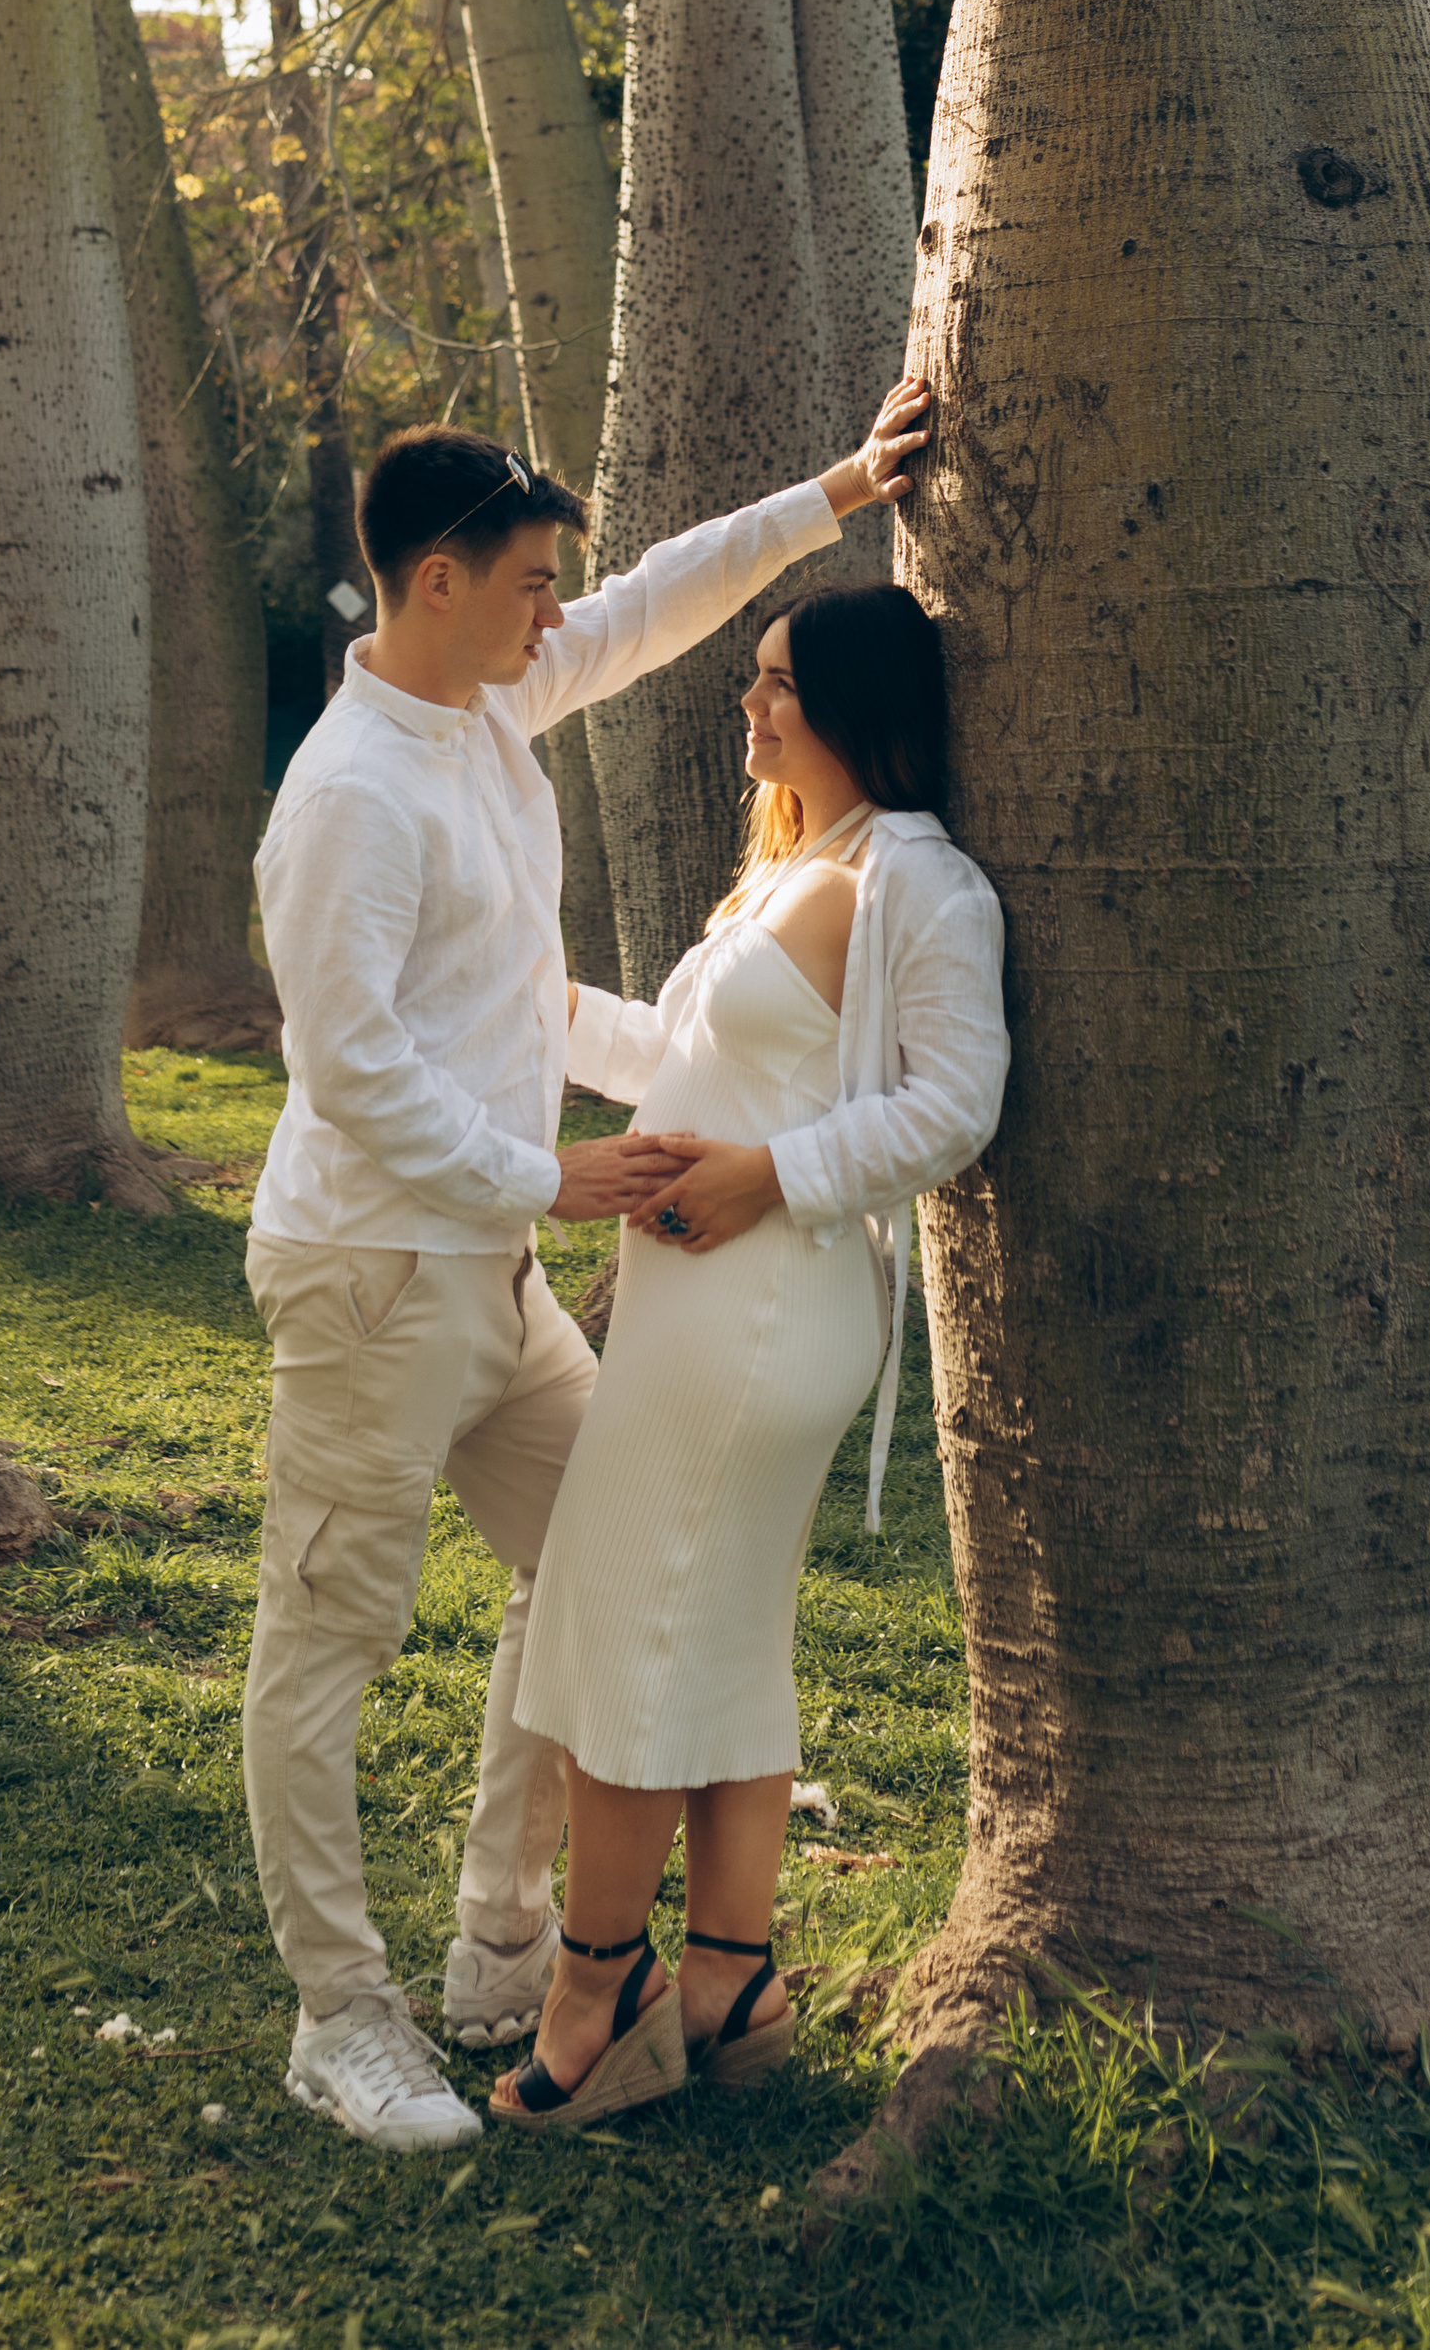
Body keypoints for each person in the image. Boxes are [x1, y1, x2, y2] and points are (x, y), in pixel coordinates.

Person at [242, 384, 933, 2153]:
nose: (565, 610)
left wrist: (836, 487)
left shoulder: (486, 710)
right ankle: (342, 2016)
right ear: (440, 580)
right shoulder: (347, 796)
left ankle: (500, 1941)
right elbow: (353, 1070)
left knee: (598, 1571)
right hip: (373, 1271)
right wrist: (545, 1178)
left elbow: (659, 607)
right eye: (536, 582)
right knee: (333, 1634)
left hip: (493, 1281)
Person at [489, 579, 1007, 2132]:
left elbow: (957, 1102)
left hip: (771, 1304)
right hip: (691, 1306)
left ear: (857, 705)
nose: (751, 704)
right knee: (702, 1632)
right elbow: (679, 1058)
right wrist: (525, 1002)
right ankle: (731, 1975)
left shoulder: (924, 879)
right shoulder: (795, 868)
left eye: (780, 682)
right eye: (752, 680)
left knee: (622, 1627)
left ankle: (599, 1988)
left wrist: (764, 1176)